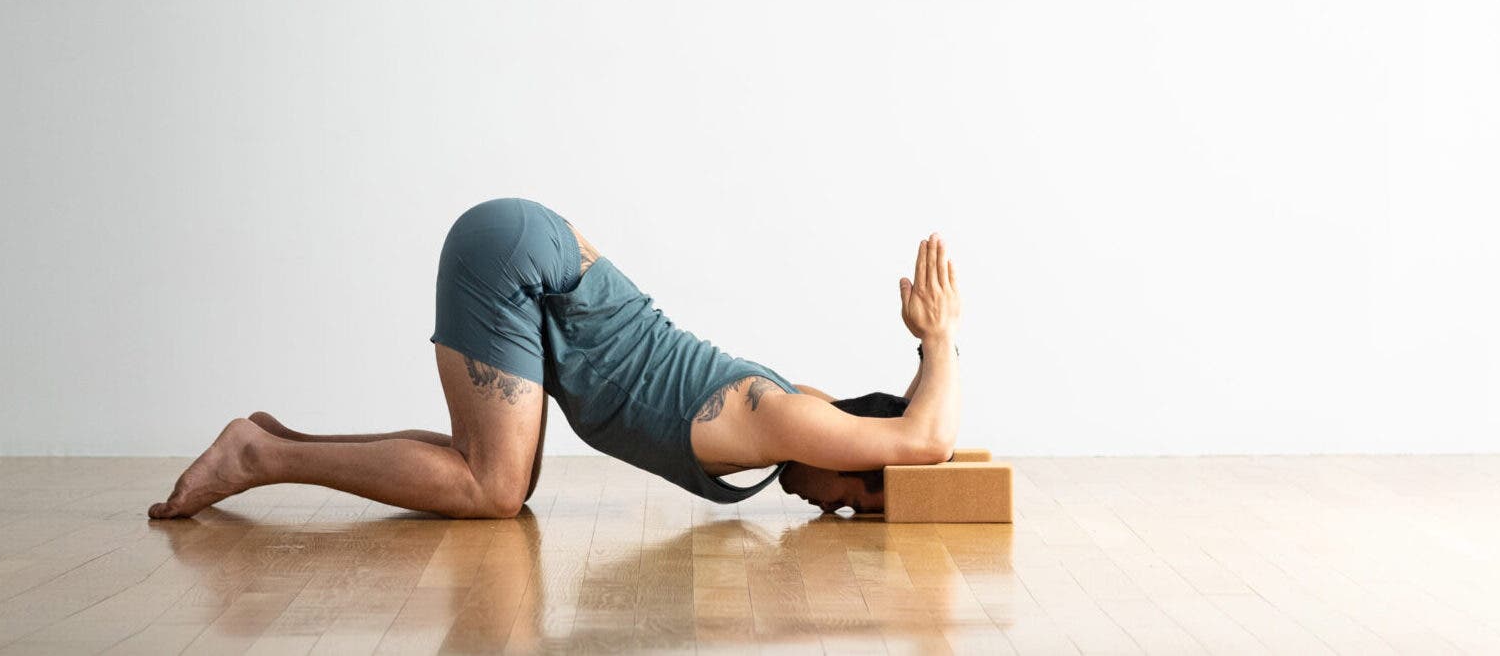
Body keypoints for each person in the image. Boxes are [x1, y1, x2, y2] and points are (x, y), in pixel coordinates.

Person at [147, 197, 962, 520]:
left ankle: (270, 439)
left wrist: (925, 364)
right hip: (522, 262)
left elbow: (913, 424)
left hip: (537, 262)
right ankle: (259, 456)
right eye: (854, 501)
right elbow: (921, 440)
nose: (830, 509)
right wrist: (939, 336)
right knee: (495, 488)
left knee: (500, 474)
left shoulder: (795, 410)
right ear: (854, 458)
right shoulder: (786, 418)